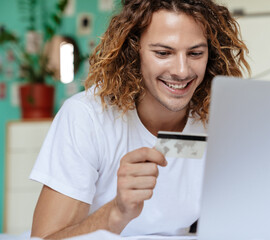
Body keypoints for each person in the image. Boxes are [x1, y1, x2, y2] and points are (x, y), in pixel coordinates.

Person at [30, 0, 250, 238]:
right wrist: (117, 210)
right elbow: (45, 238)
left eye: (196, 53)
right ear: (133, 51)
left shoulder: (217, 120)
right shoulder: (86, 117)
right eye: (163, 53)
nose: (182, 70)